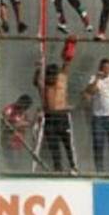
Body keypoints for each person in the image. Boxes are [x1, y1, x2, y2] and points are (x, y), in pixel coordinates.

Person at [36, 36, 78, 173]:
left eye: (54, 75)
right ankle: (58, 168)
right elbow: (38, 80)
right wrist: (40, 65)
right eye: (50, 76)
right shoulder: (44, 86)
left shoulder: (61, 81)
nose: (53, 78)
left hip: (62, 117)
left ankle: (73, 167)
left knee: (68, 144)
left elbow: (66, 63)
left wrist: (69, 46)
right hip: (50, 117)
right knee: (53, 145)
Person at [2, 94, 34, 172]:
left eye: (26, 107)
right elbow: (5, 123)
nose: (24, 109)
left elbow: (29, 123)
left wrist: (25, 123)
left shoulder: (24, 113)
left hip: (20, 142)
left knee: (19, 165)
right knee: (11, 164)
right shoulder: (9, 109)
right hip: (9, 142)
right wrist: (19, 124)